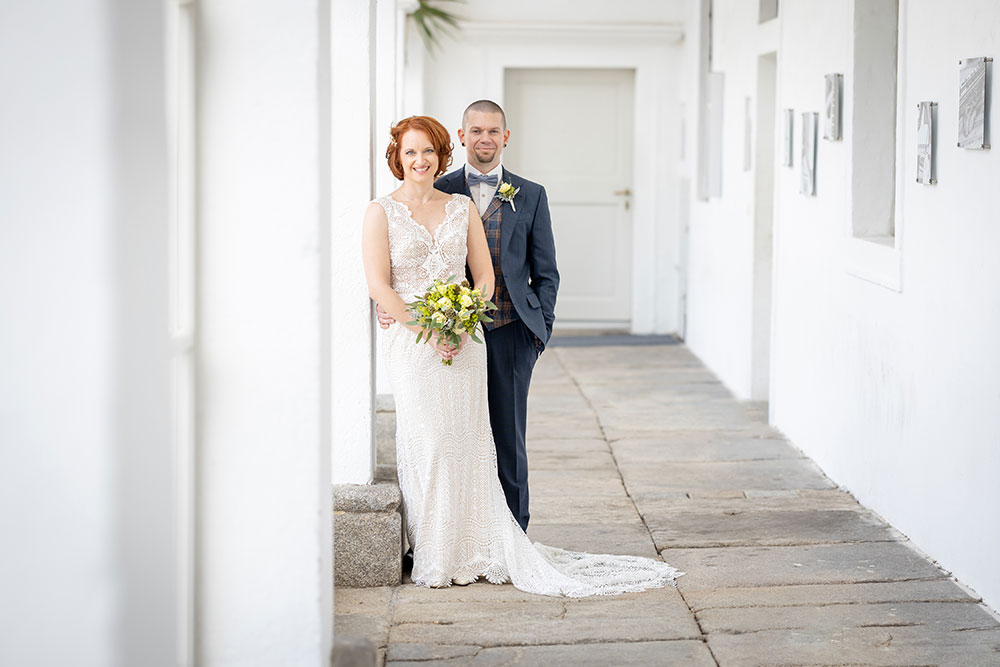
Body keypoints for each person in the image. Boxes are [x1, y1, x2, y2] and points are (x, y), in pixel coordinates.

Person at [362, 114, 680, 594]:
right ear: (399, 156)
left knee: (479, 442)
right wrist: (421, 324)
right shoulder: (385, 209)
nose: (420, 160)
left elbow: (495, 273)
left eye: (427, 151)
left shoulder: (476, 202)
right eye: (411, 152)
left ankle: (491, 541)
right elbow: (379, 284)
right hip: (416, 345)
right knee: (428, 442)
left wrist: (476, 321)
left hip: (477, 336)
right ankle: (433, 547)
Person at [378, 99, 554, 533]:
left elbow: (546, 270)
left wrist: (540, 331)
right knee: (454, 438)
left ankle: (513, 534)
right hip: (445, 335)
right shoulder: (442, 186)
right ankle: (452, 534)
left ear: (505, 137)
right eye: (476, 131)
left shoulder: (530, 194)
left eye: (493, 131)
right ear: (460, 137)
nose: (485, 138)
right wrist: (394, 308)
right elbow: (396, 263)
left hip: (511, 329)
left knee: (508, 439)